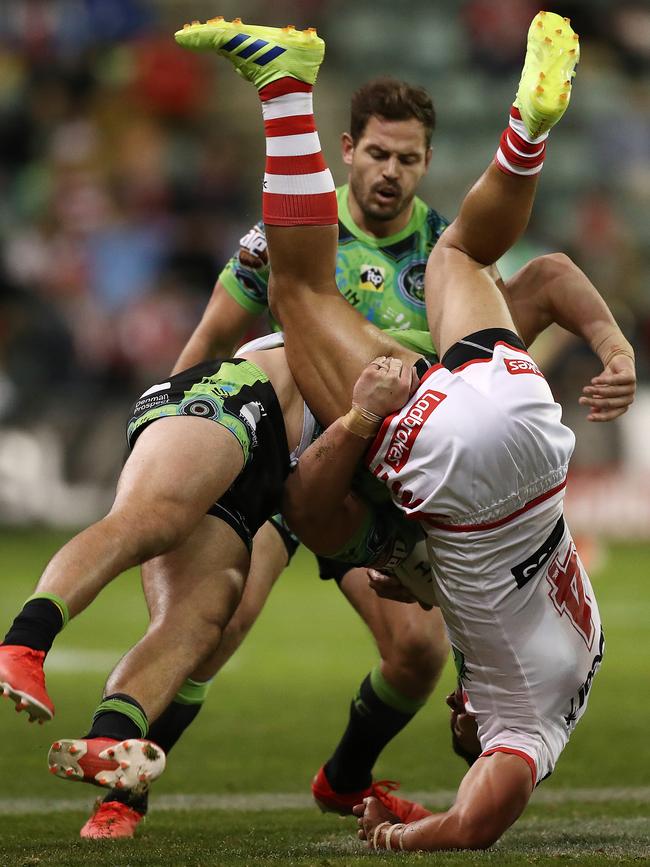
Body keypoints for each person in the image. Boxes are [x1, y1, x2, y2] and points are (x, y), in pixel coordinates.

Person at [84, 41, 635, 837]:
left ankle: (342, 779)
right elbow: (205, 348)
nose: (390, 171)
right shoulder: (279, 229)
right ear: (347, 151)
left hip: (394, 479)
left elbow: (544, 281)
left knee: (418, 651)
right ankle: (120, 791)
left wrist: (614, 351)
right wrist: (170, 453)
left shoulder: (440, 241)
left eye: (407, 159)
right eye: (377, 153)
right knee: (219, 620)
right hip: (289, 453)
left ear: (426, 162)